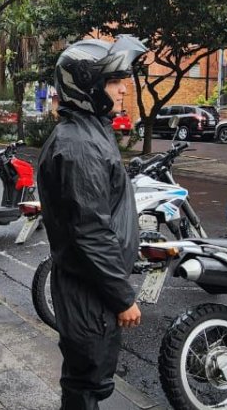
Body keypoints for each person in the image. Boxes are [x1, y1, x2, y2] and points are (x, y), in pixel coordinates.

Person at [37, 35, 147, 410]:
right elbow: (90, 232)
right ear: (88, 88)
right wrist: (122, 296)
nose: (123, 89)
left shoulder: (88, 132)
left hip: (90, 288)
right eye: (114, 82)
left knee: (88, 379)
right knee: (86, 383)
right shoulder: (79, 145)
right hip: (90, 291)